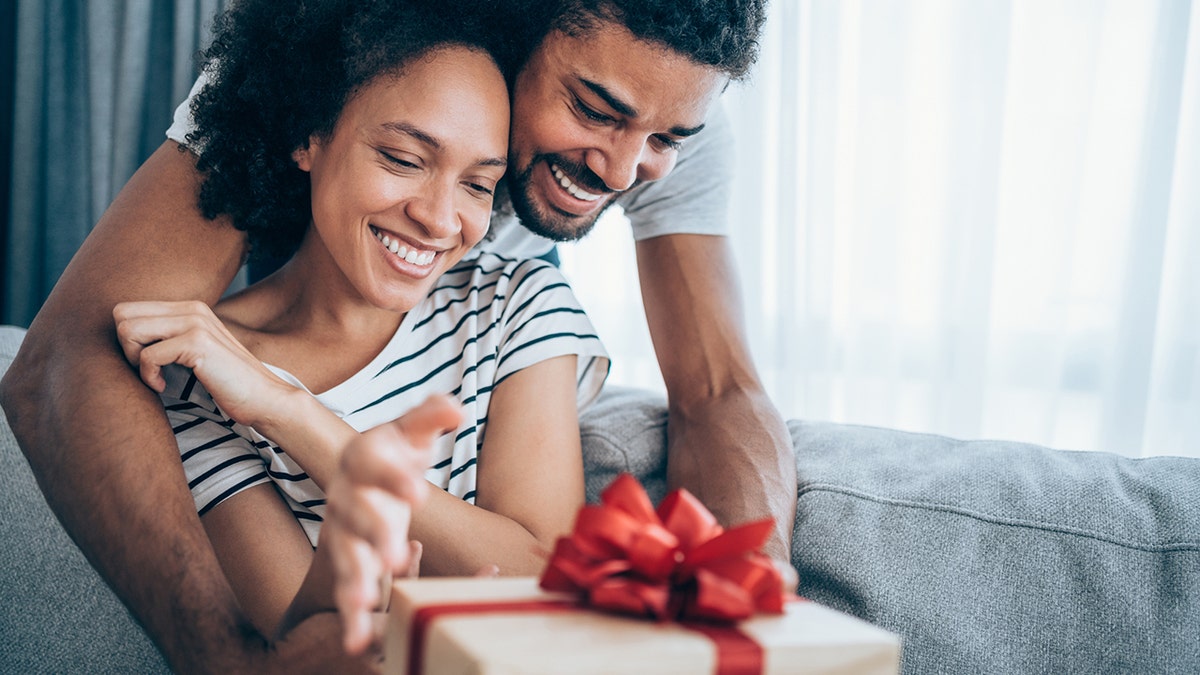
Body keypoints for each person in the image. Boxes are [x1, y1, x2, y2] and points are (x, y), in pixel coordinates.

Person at [0, 0, 793, 671]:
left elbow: (721, 389)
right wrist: (234, 657)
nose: (623, 173)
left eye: (665, 140)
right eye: (592, 108)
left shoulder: (533, 278)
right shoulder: (346, 51)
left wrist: (761, 594)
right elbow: (65, 363)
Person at [111, 0, 611, 660]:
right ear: (309, 137)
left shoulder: (517, 303)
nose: (439, 219)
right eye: (404, 158)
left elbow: (550, 579)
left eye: (478, 184)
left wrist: (298, 418)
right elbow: (299, 648)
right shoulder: (199, 377)